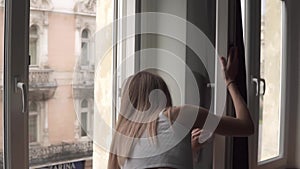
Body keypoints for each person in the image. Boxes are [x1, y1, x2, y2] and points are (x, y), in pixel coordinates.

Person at [108, 47, 254, 169]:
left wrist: (186, 149)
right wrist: (230, 82)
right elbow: (246, 126)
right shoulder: (179, 115)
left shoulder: (122, 137)